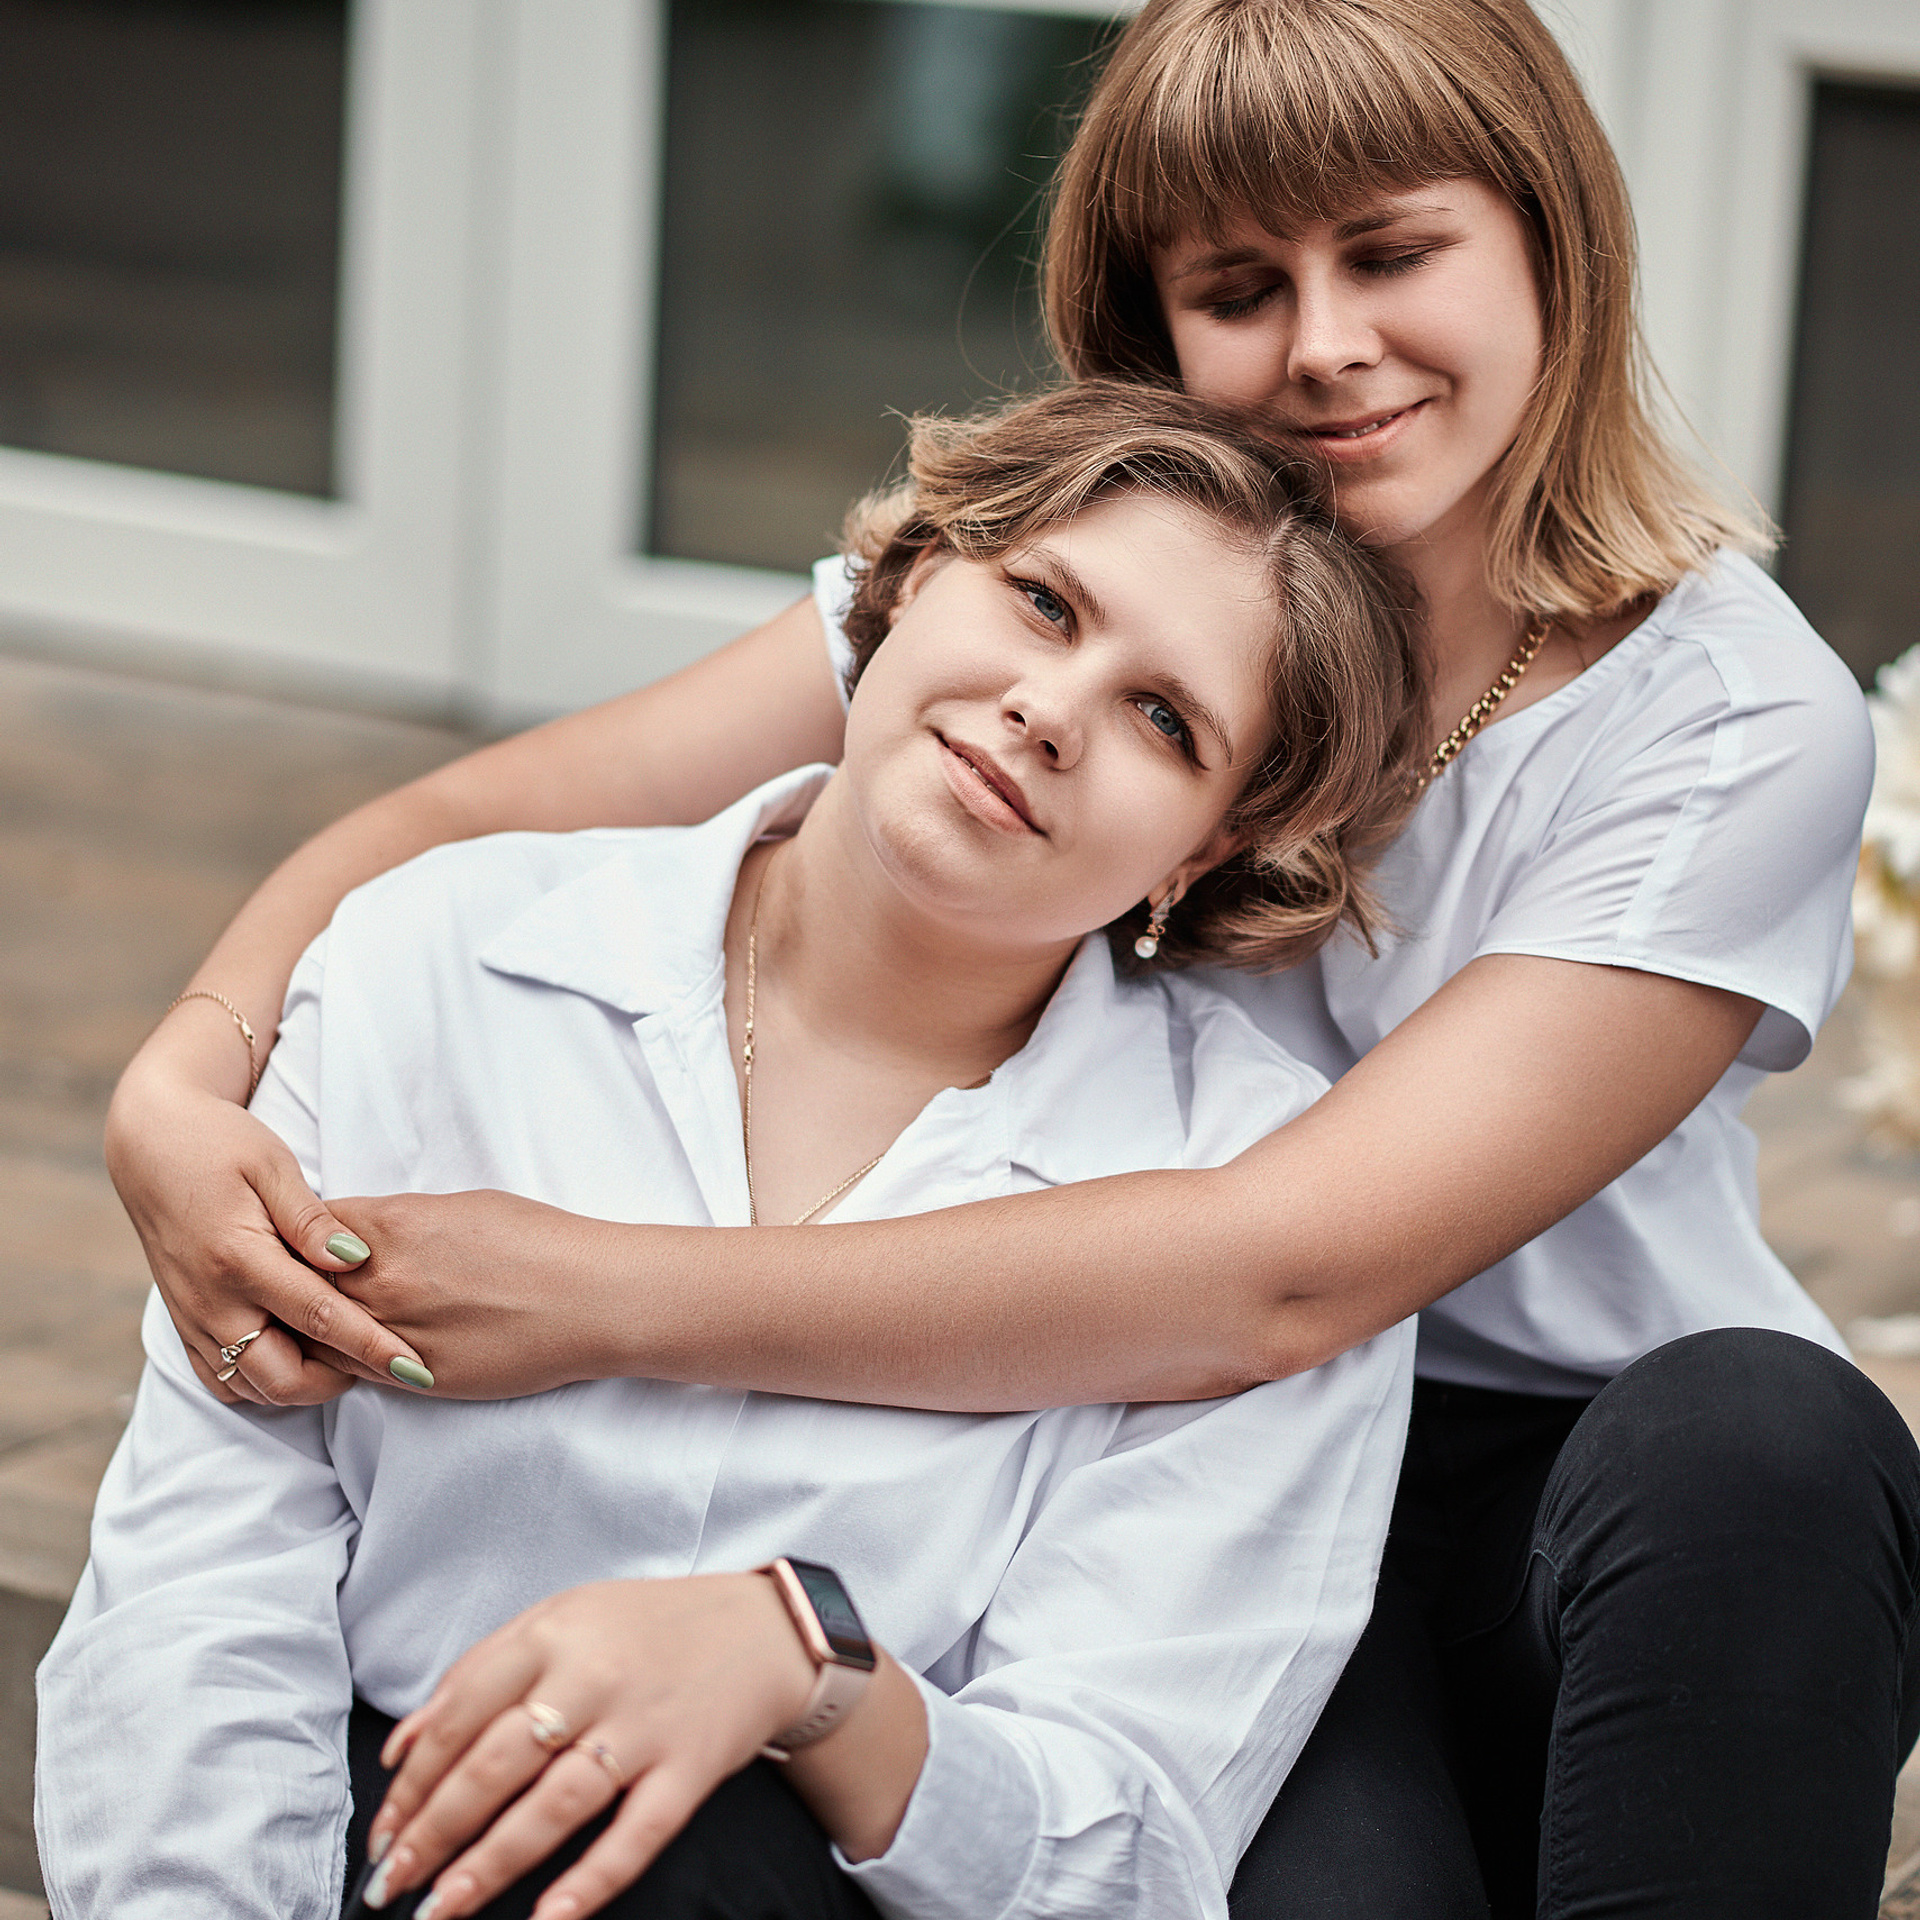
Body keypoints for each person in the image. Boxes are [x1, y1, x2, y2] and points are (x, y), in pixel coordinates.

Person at [96, 1, 1920, 1914]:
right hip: (1147, 1432)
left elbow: (1282, 1277)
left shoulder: (1727, 717)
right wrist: (186, 1073)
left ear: (1552, 236)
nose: (1323, 345)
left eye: (1392, 253)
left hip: (1510, 1472)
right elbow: (464, 835)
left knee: (1764, 1443)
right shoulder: (1060, 597)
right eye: (1239, 286)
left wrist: (602, 1294)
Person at [37, 387, 1424, 1920]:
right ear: (909, 583)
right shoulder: (443, 954)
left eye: (1167, 720)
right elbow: (200, 1597)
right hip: (364, 1850)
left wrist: (808, 1674)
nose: (1051, 708)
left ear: (1204, 849)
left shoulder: (1252, 1196)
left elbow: (1124, 1855)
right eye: (1042, 603)